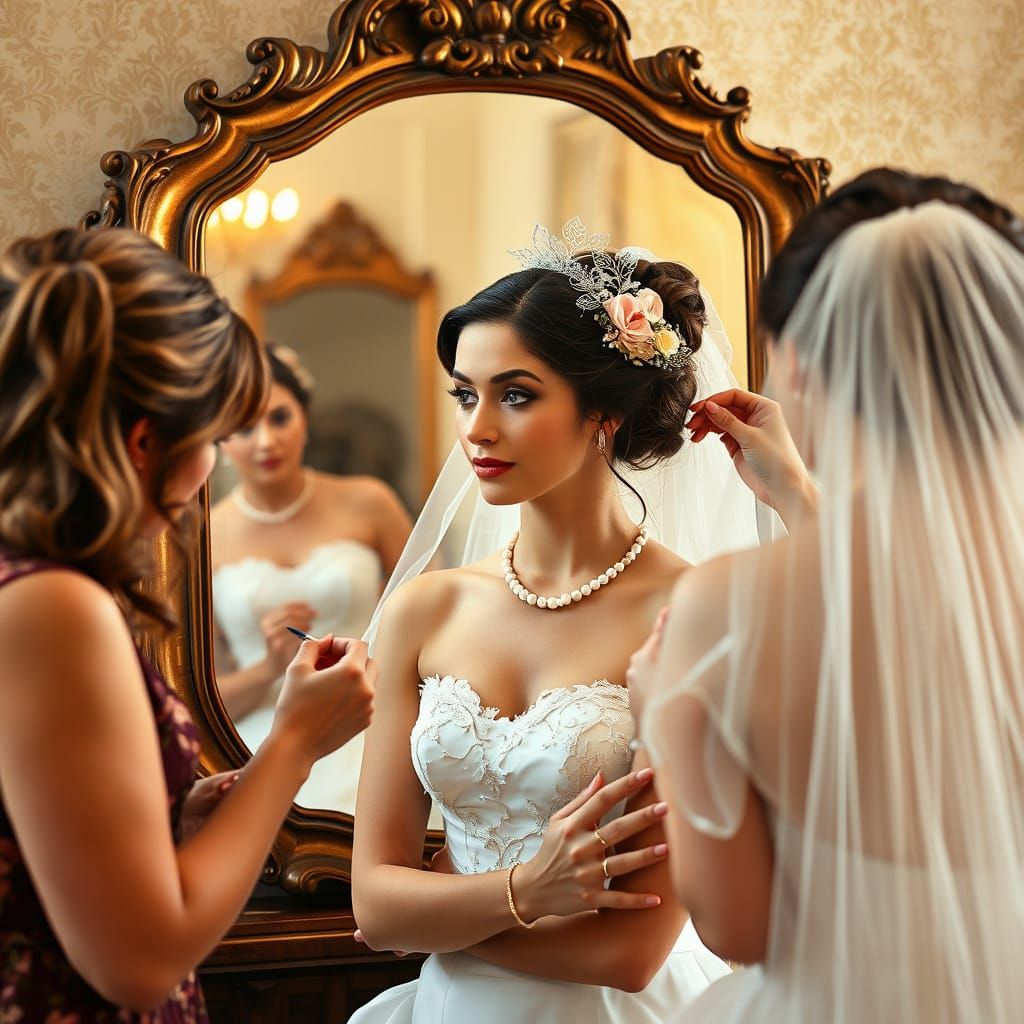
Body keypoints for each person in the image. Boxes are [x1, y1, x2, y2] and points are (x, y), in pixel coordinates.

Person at [630, 169, 1024, 1021]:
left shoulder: (728, 612)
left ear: (801, 358)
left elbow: (740, 927)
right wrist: (803, 500)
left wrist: (667, 711)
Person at [350, 221, 765, 1023]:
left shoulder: (695, 614)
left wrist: (438, 916)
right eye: (465, 394)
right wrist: (522, 892)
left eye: (516, 394)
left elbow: (630, 953)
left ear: (604, 412)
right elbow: (373, 901)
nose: (476, 428)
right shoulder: (423, 610)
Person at [0, 227, 375, 1020]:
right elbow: (139, 959)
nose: (217, 466)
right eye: (212, 437)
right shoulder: (52, 606)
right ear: (146, 443)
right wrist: (294, 746)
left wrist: (174, 819)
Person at [210, 344, 410, 810]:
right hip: (259, 738)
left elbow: (437, 609)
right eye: (243, 427)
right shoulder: (203, 537)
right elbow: (202, 696)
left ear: (305, 415)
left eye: (279, 418)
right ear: (219, 439)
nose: (265, 442)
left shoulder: (369, 501)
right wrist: (266, 669)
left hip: (375, 719)